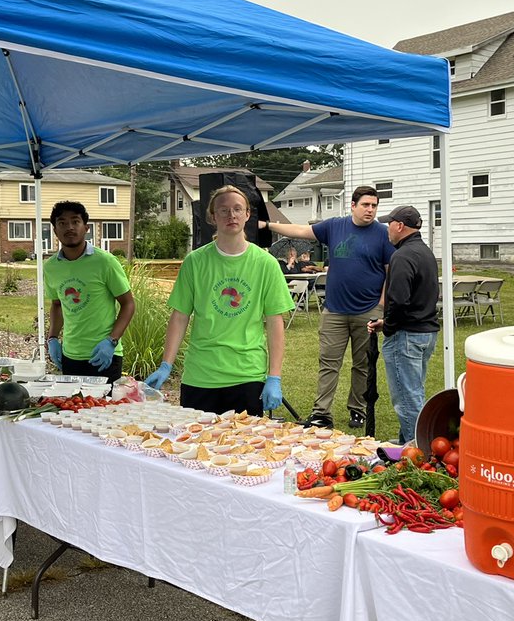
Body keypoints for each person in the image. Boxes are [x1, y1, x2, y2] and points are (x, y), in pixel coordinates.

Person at [145, 185, 293, 415]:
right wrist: (166, 364)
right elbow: (180, 316)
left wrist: (274, 376)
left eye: (237, 209)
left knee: (243, 439)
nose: (231, 215)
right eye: (223, 210)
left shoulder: (266, 264)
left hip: (247, 375)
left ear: (247, 214)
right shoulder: (195, 262)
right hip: (200, 376)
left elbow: (275, 322)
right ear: (213, 217)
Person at [260, 186, 393, 428]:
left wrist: (381, 304)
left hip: (368, 311)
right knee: (329, 363)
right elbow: (301, 230)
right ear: (353, 206)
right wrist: (268, 225)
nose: (370, 210)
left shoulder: (383, 234)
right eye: (365, 205)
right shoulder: (335, 227)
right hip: (334, 311)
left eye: (374, 205)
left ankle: (358, 410)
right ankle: (322, 413)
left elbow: (389, 271)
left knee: (363, 364)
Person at [367, 206, 440, 443]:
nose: (387, 228)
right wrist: (386, 322)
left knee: (407, 398)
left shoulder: (402, 256)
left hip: (406, 335)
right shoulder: (425, 252)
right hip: (425, 332)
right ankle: (406, 441)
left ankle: (416, 449)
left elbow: (399, 300)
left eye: (389, 223)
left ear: (399, 226)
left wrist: (389, 327)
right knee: (414, 390)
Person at [44, 201, 135, 380]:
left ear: (86, 228)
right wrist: (52, 338)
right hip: (70, 355)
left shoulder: (105, 262)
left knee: (106, 400)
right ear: (55, 230)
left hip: (104, 355)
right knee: (72, 399)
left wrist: (112, 340)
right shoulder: (51, 267)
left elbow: (128, 304)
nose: (69, 227)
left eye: (75, 221)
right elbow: (57, 304)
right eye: (62, 223)